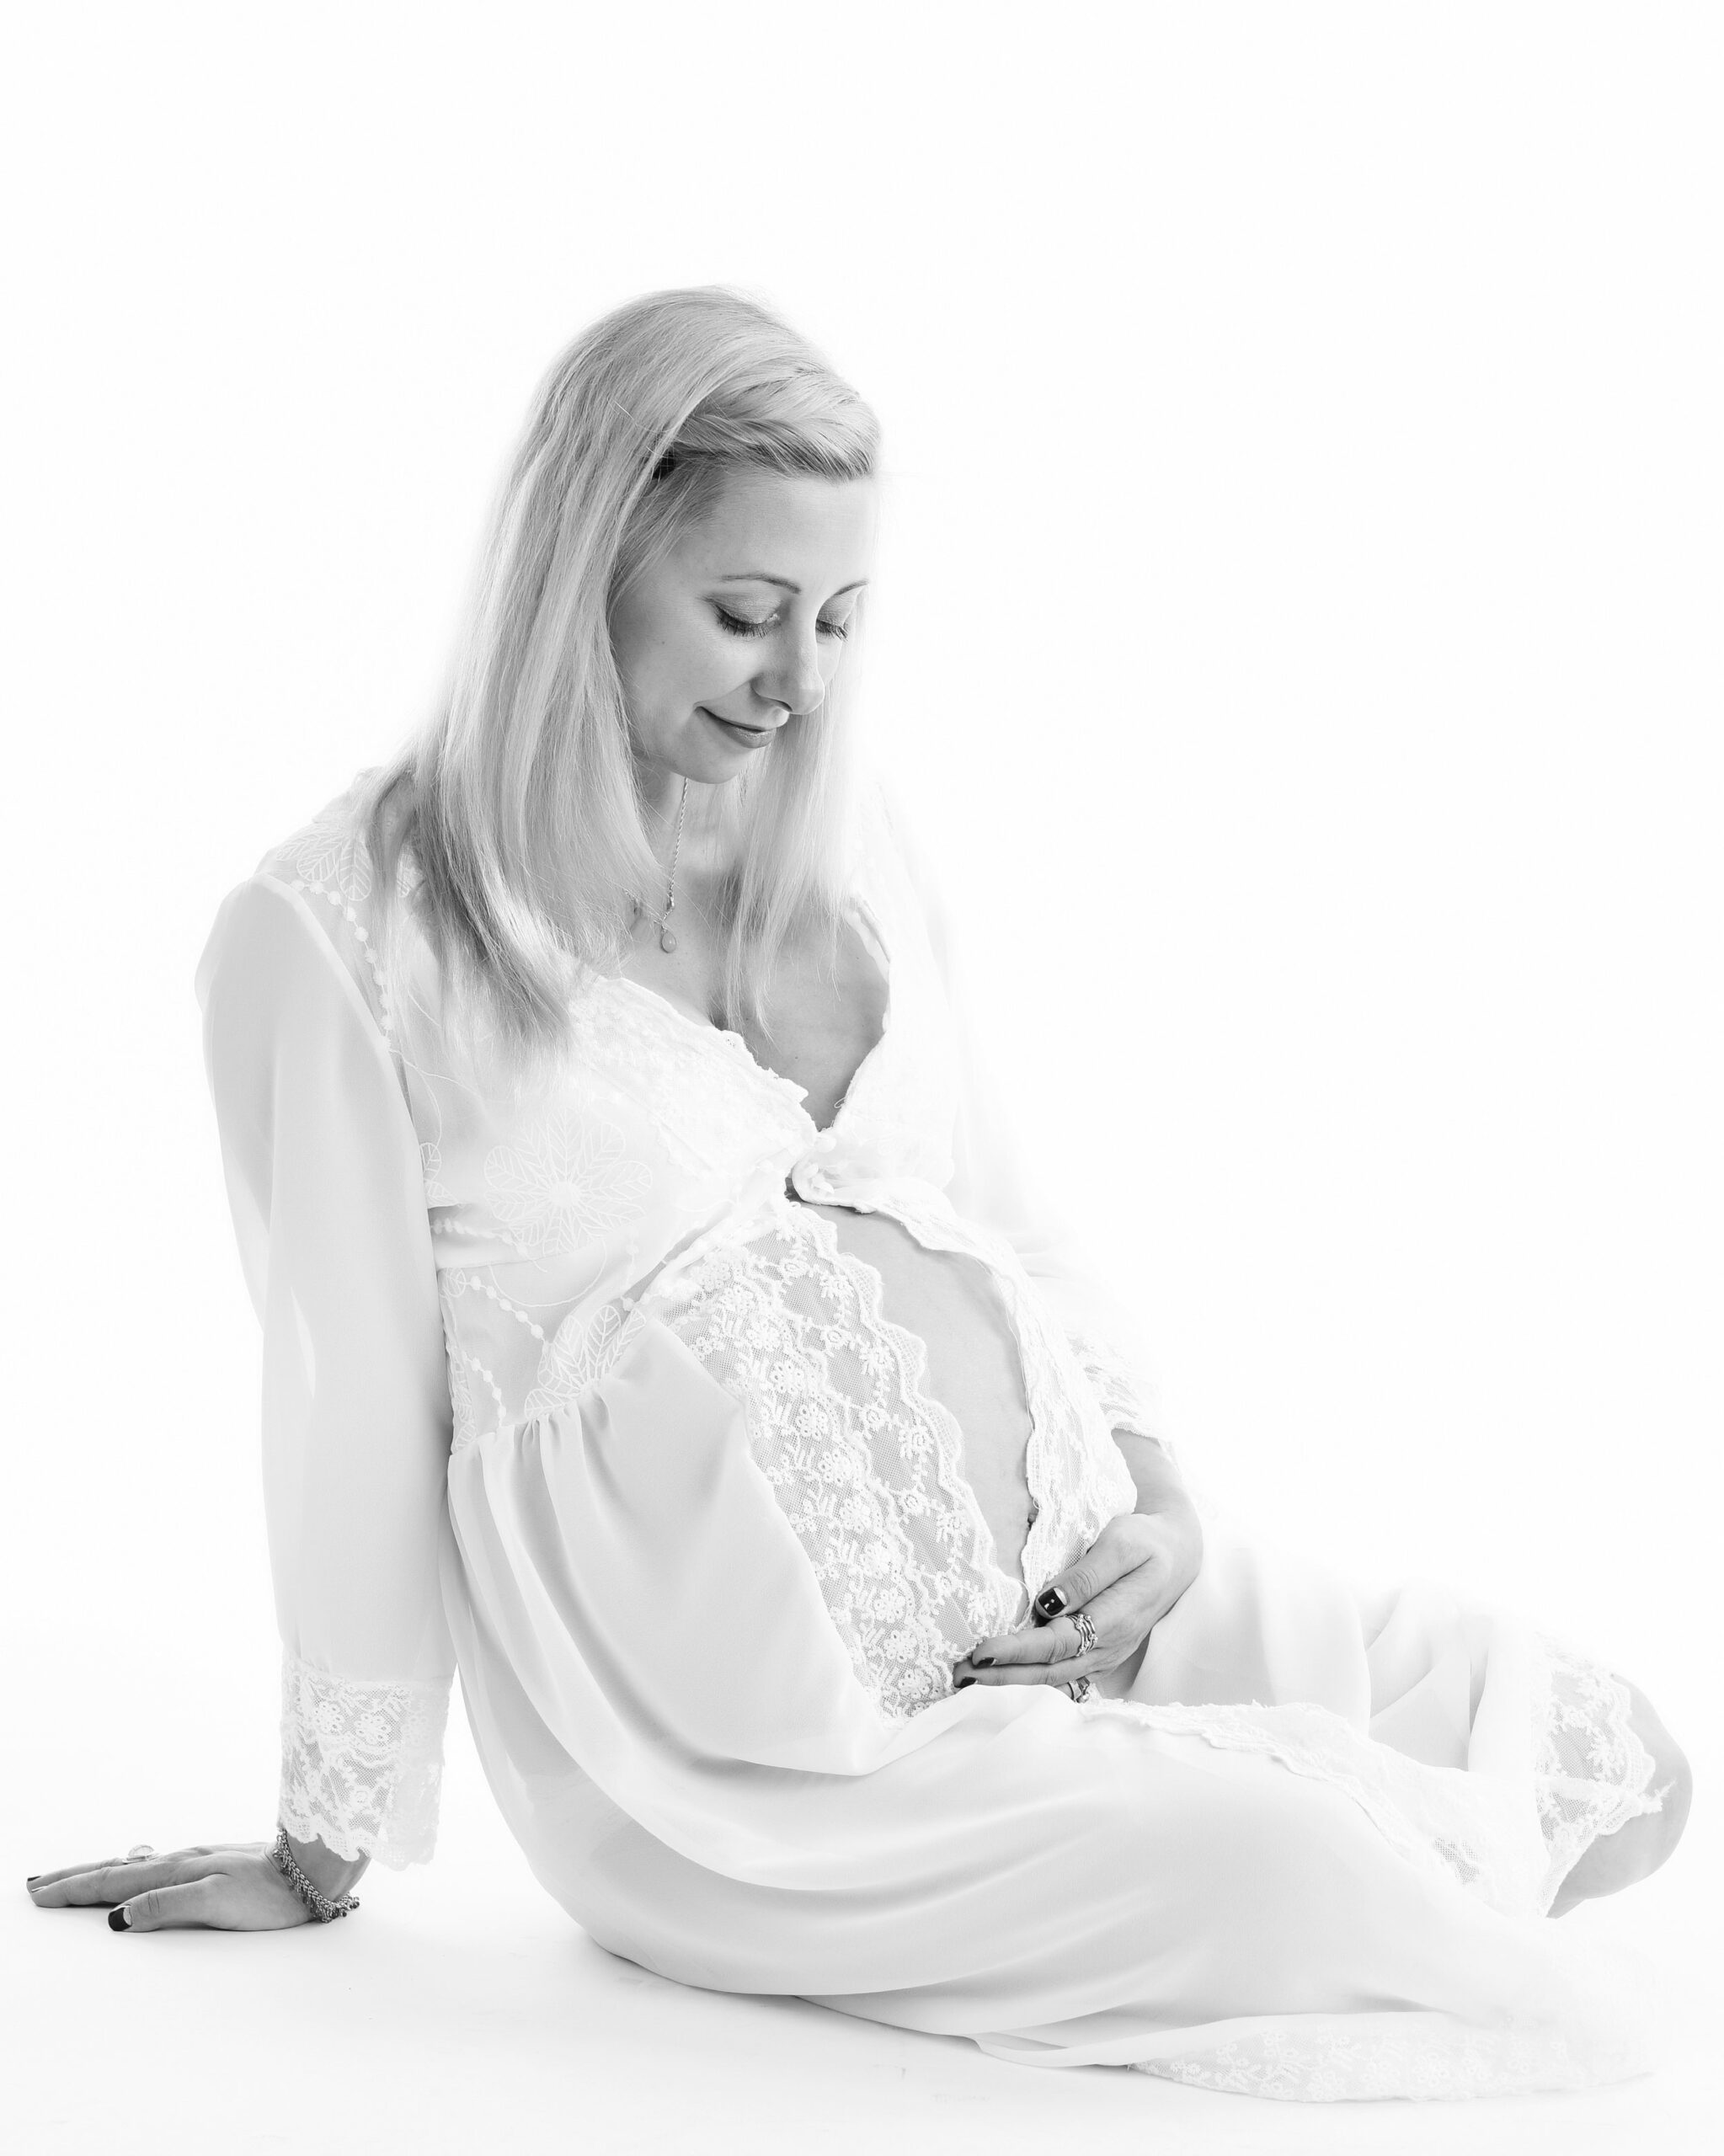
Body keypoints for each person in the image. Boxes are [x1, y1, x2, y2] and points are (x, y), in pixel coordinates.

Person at [29, 289, 1690, 2102]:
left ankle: (1222, 1765)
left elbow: (1007, 1215)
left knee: (1620, 1755)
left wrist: (1159, 1494)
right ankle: (1233, 1826)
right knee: (1329, 1874)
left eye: (838, 617)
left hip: (1061, 1608)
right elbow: (343, 1400)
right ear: (577, 568)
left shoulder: (845, 832)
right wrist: (323, 1833)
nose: (798, 680)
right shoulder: (350, 928)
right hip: (761, 1780)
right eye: (744, 614)